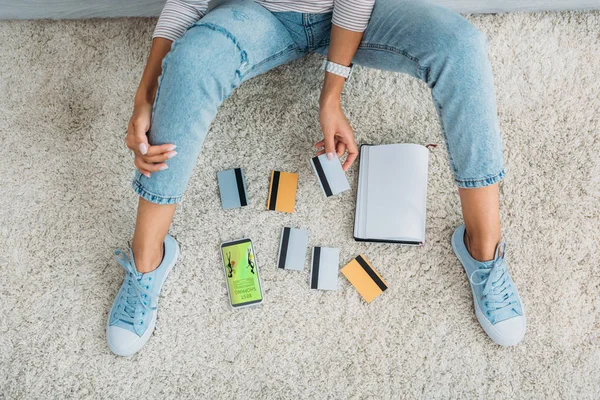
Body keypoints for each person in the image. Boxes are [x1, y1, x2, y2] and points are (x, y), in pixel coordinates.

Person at [106, 0, 526, 357]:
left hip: (360, 15)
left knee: (462, 46)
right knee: (192, 62)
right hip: (260, 16)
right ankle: (147, 260)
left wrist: (331, 94)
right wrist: (145, 98)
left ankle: (483, 251)